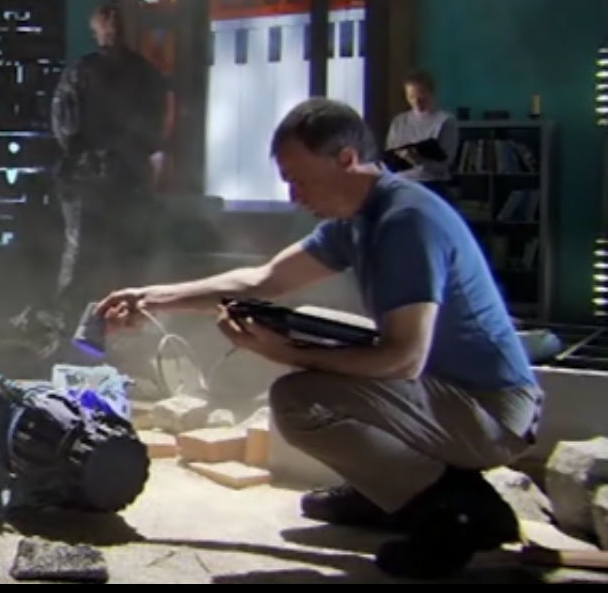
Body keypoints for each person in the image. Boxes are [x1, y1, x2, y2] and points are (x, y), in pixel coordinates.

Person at [96, 98, 540, 580]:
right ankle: (391, 492)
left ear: (346, 159)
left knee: (299, 399)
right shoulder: (357, 220)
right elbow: (263, 281)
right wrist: (151, 297)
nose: (294, 196)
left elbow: (403, 359)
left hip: (491, 411)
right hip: (446, 393)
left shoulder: (404, 221)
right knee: (314, 330)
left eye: (301, 180)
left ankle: (460, 510)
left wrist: (287, 353)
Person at [51, 4, 169, 316]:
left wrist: (128, 154)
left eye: (117, 21)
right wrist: (89, 159)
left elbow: (154, 126)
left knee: (130, 254)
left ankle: (127, 319)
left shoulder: (143, 73)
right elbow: (65, 125)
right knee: (83, 254)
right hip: (89, 177)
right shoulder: (81, 73)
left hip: (126, 176)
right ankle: (68, 321)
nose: (113, 27)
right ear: (96, 30)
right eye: (106, 22)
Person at [385, 70, 459, 194]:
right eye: (411, 97)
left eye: (421, 97)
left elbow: (445, 165)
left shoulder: (445, 121)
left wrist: (418, 160)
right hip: (401, 183)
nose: (416, 102)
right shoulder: (399, 122)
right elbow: (390, 157)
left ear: (431, 93)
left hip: (431, 183)